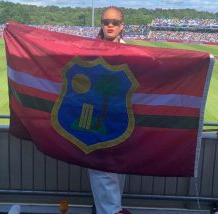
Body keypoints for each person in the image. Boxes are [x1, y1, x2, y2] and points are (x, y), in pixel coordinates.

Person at [88, 6, 130, 214]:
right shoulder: (90, 49)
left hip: (120, 118)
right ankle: (113, 211)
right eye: (106, 21)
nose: (110, 25)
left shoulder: (132, 53)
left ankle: (112, 209)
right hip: (95, 118)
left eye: (114, 22)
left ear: (122, 25)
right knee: (100, 168)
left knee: (117, 169)